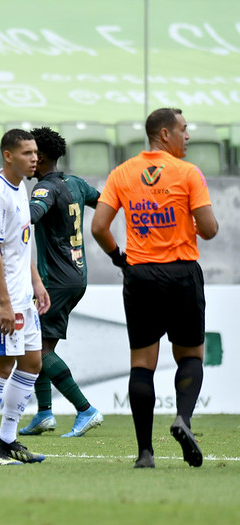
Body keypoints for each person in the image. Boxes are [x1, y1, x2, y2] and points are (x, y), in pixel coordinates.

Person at [91, 108, 218, 468]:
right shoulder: (187, 173)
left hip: (141, 275)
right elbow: (209, 230)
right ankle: (183, 418)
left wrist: (120, 259)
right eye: (183, 129)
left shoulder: (122, 173)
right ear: (165, 134)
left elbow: (99, 226)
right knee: (190, 356)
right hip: (181, 274)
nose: (188, 135)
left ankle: (145, 452)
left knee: (142, 364)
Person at [17, 126, 104, 437]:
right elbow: (105, 202)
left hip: (55, 279)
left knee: (35, 348)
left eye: (29, 152)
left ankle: (86, 409)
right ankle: (44, 413)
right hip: (77, 274)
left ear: (39, 157)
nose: (26, 158)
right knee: (40, 343)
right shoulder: (77, 184)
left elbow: (31, 215)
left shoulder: (44, 189)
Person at [0, 129, 49, 465]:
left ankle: (7, 439)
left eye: (36, 153)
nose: (35, 158)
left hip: (23, 296)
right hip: (0, 297)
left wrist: (37, 282)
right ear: (8, 155)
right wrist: (4, 301)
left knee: (32, 362)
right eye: (27, 153)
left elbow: (20, 242)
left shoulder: (20, 189)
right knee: (1, 365)